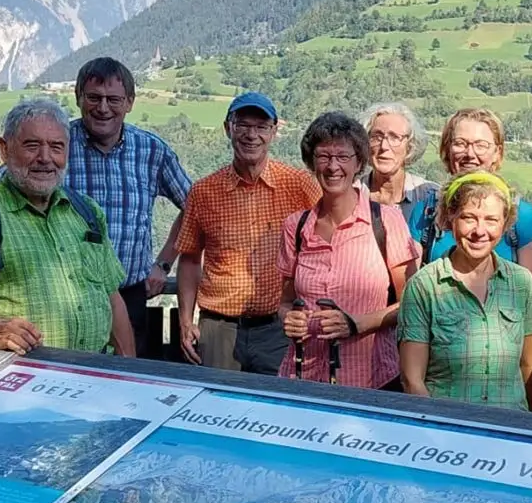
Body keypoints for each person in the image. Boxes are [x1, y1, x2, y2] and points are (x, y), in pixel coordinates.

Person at [0, 99, 134, 357]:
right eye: (32, 145)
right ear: (4, 149)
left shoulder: (86, 211)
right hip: (24, 382)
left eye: (56, 147)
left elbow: (112, 298)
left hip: (95, 375)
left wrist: (130, 370)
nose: (45, 158)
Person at [175, 92, 319, 373]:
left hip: (278, 329)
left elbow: (330, 240)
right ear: (228, 128)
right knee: (215, 408)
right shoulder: (204, 192)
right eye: (242, 125)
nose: (251, 135)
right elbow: (190, 259)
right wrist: (185, 320)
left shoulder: (299, 184)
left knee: (277, 409)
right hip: (219, 329)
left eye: (261, 127)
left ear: (274, 132)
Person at [59, 56, 192, 359]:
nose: (103, 107)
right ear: (78, 98)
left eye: (113, 99)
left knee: (125, 389)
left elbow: (194, 207)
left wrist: (163, 263)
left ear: (129, 102)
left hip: (130, 294)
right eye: (94, 97)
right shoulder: (56, 144)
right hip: (67, 297)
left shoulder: (151, 151)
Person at [278, 112, 419, 389]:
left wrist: (356, 324)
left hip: (370, 379)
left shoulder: (386, 221)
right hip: (302, 377)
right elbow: (284, 302)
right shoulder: (296, 227)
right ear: (312, 162)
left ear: (358, 163)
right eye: (323, 156)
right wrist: (289, 318)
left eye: (342, 157)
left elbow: (412, 304)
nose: (333, 167)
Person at [397, 172, 532, 409]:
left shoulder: (521, 283)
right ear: (450, 219)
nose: (479, 231)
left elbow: (528, 365)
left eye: (491, 220)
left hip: (508, 428)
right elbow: (412, 380)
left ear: (505, 224)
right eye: (469, 218)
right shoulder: (424, 286)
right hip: (447, 431)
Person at [408, 107, 532, 295]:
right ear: (447, 149)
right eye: (460, 143)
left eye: (481, 145)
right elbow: (411, 292)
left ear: (498, 152)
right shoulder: (426, 213)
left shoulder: (521, 215)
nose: (470, 154)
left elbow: (531, 295)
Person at [363, 103, 437, 218]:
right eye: (377, 137)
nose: (384, 146)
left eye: (394, 137)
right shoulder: (350, 195)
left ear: (410, 146)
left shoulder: (431, 197)